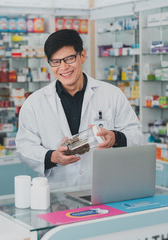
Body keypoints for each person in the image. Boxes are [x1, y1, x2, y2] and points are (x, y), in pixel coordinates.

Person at [15, 29, 143, 189]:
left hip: (105, 187)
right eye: (56, 61)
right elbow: (24, 147)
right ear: (49, 62)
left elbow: (136, 135)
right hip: (58, 191)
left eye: (69, 59)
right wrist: (52, 157)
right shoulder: (35, 102)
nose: (63, 67)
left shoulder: (112, 94)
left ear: (82, 55)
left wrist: (115, 138)